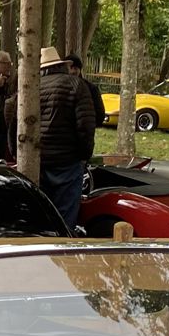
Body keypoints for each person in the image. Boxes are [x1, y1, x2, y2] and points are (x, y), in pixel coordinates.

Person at [36, 46, 99, 229]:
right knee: (65, 218)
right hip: (68, 161)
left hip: (39, 159)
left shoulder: (32, 87)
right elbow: (86, 126)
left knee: (41, 214)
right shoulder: (76, 85)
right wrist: (84, 155)